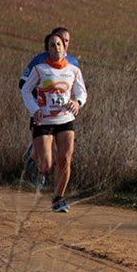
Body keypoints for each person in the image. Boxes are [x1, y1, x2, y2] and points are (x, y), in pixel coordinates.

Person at [20, 31, 87, 213]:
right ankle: (38, 168)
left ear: (65, 48)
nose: (57, 47)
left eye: (60, 44)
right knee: (47, 163)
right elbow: (25, 90)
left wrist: (77, 102)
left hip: (65, 119)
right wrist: (36, 110)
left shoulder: (73, 69)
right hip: (44, 120)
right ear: (47, 49)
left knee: (65, 158)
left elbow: (82, 92)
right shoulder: (40, 69)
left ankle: (58, 198)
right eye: (53, 45)